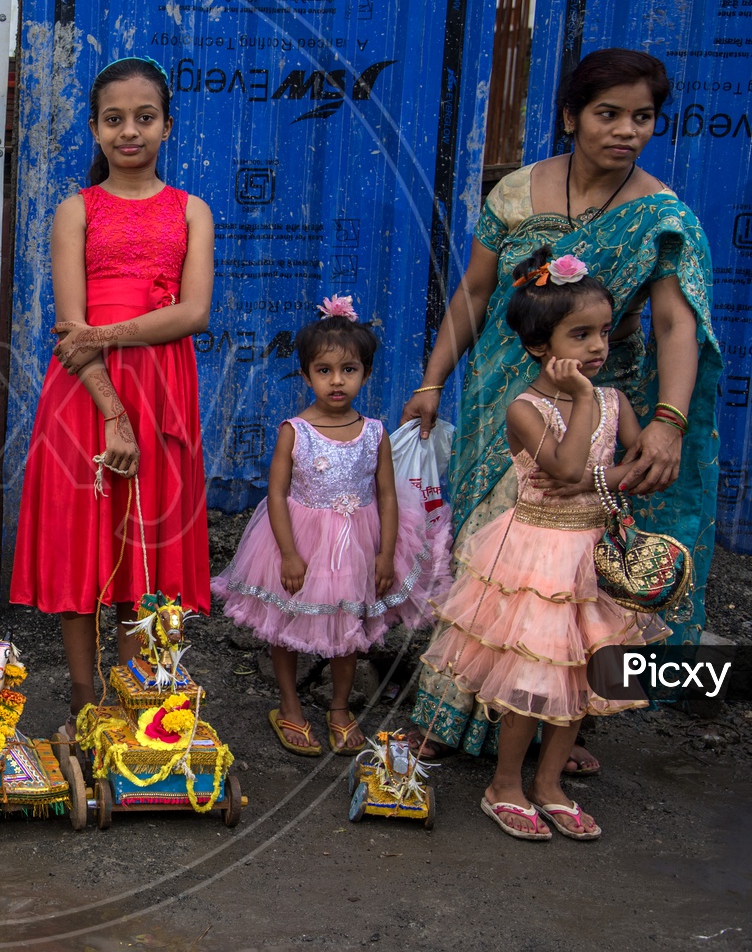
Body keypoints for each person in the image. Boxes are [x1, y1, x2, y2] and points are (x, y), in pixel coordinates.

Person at [403, 48, 720, 768]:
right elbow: (476, 294)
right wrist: (431, 381)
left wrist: (667, 422)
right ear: (572, 116)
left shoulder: (660, 216)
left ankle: (554, 723)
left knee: (573, 577)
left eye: (642, 117)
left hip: (599, 407)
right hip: (503, 402)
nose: (626, 131)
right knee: (489, 563)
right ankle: (448, 712)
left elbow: (676, 324)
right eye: (608, 114)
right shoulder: (518, 192)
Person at [422, 248, 666, 841]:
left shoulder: (617, 401)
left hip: (593, 556)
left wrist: (627, 465)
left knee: (582, 675)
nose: (597, 347)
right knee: (532, 677)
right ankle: (504, 783)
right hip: (537, 557)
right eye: (579, 335)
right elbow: (565, 469)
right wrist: (584, 406)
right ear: (539, 348)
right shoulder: (525, 409)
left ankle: (549, 784)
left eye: (603, 332)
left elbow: (636, 463)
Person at [9, 57, 215, 727]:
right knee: (82, 540)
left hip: (163, 391)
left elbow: (192, 314)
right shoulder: (75, 211)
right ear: (95, 130)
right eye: (114, 119)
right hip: (85, 397)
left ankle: (134, 697)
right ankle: (82, 694)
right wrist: (112, 414)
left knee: (145, 548)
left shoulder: (192, 211)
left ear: (168, 127)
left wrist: (110, 331)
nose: (130, 131)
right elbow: (71, 336)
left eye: (144, 118)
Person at [212, 298, 442, 756]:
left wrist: (384, 551)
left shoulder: (374, 431)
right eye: (324, 370)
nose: (337, 381)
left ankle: (339, 707)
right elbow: (276, 494)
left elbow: (387, 495)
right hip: (298, 541)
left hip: (357, 544)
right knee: (285, 621)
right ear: (306, 374)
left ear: (365, 373)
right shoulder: (293, 430)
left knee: (347, 625)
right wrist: (290, 553)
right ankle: (290, 703)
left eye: (349, 370)